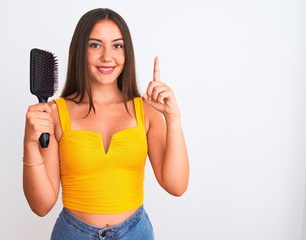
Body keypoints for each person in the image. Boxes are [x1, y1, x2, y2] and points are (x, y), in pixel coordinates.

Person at [23, 8, 189, 240]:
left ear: (126, 52)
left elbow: (176, 186)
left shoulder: (147, 111)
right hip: (73, 234)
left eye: (117, 45)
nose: (107, 57)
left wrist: (173, 118)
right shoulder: (54, 113)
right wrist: (30, 143)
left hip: (135, 233)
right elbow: (41, 206)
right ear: (80, 51)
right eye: (95, 45)